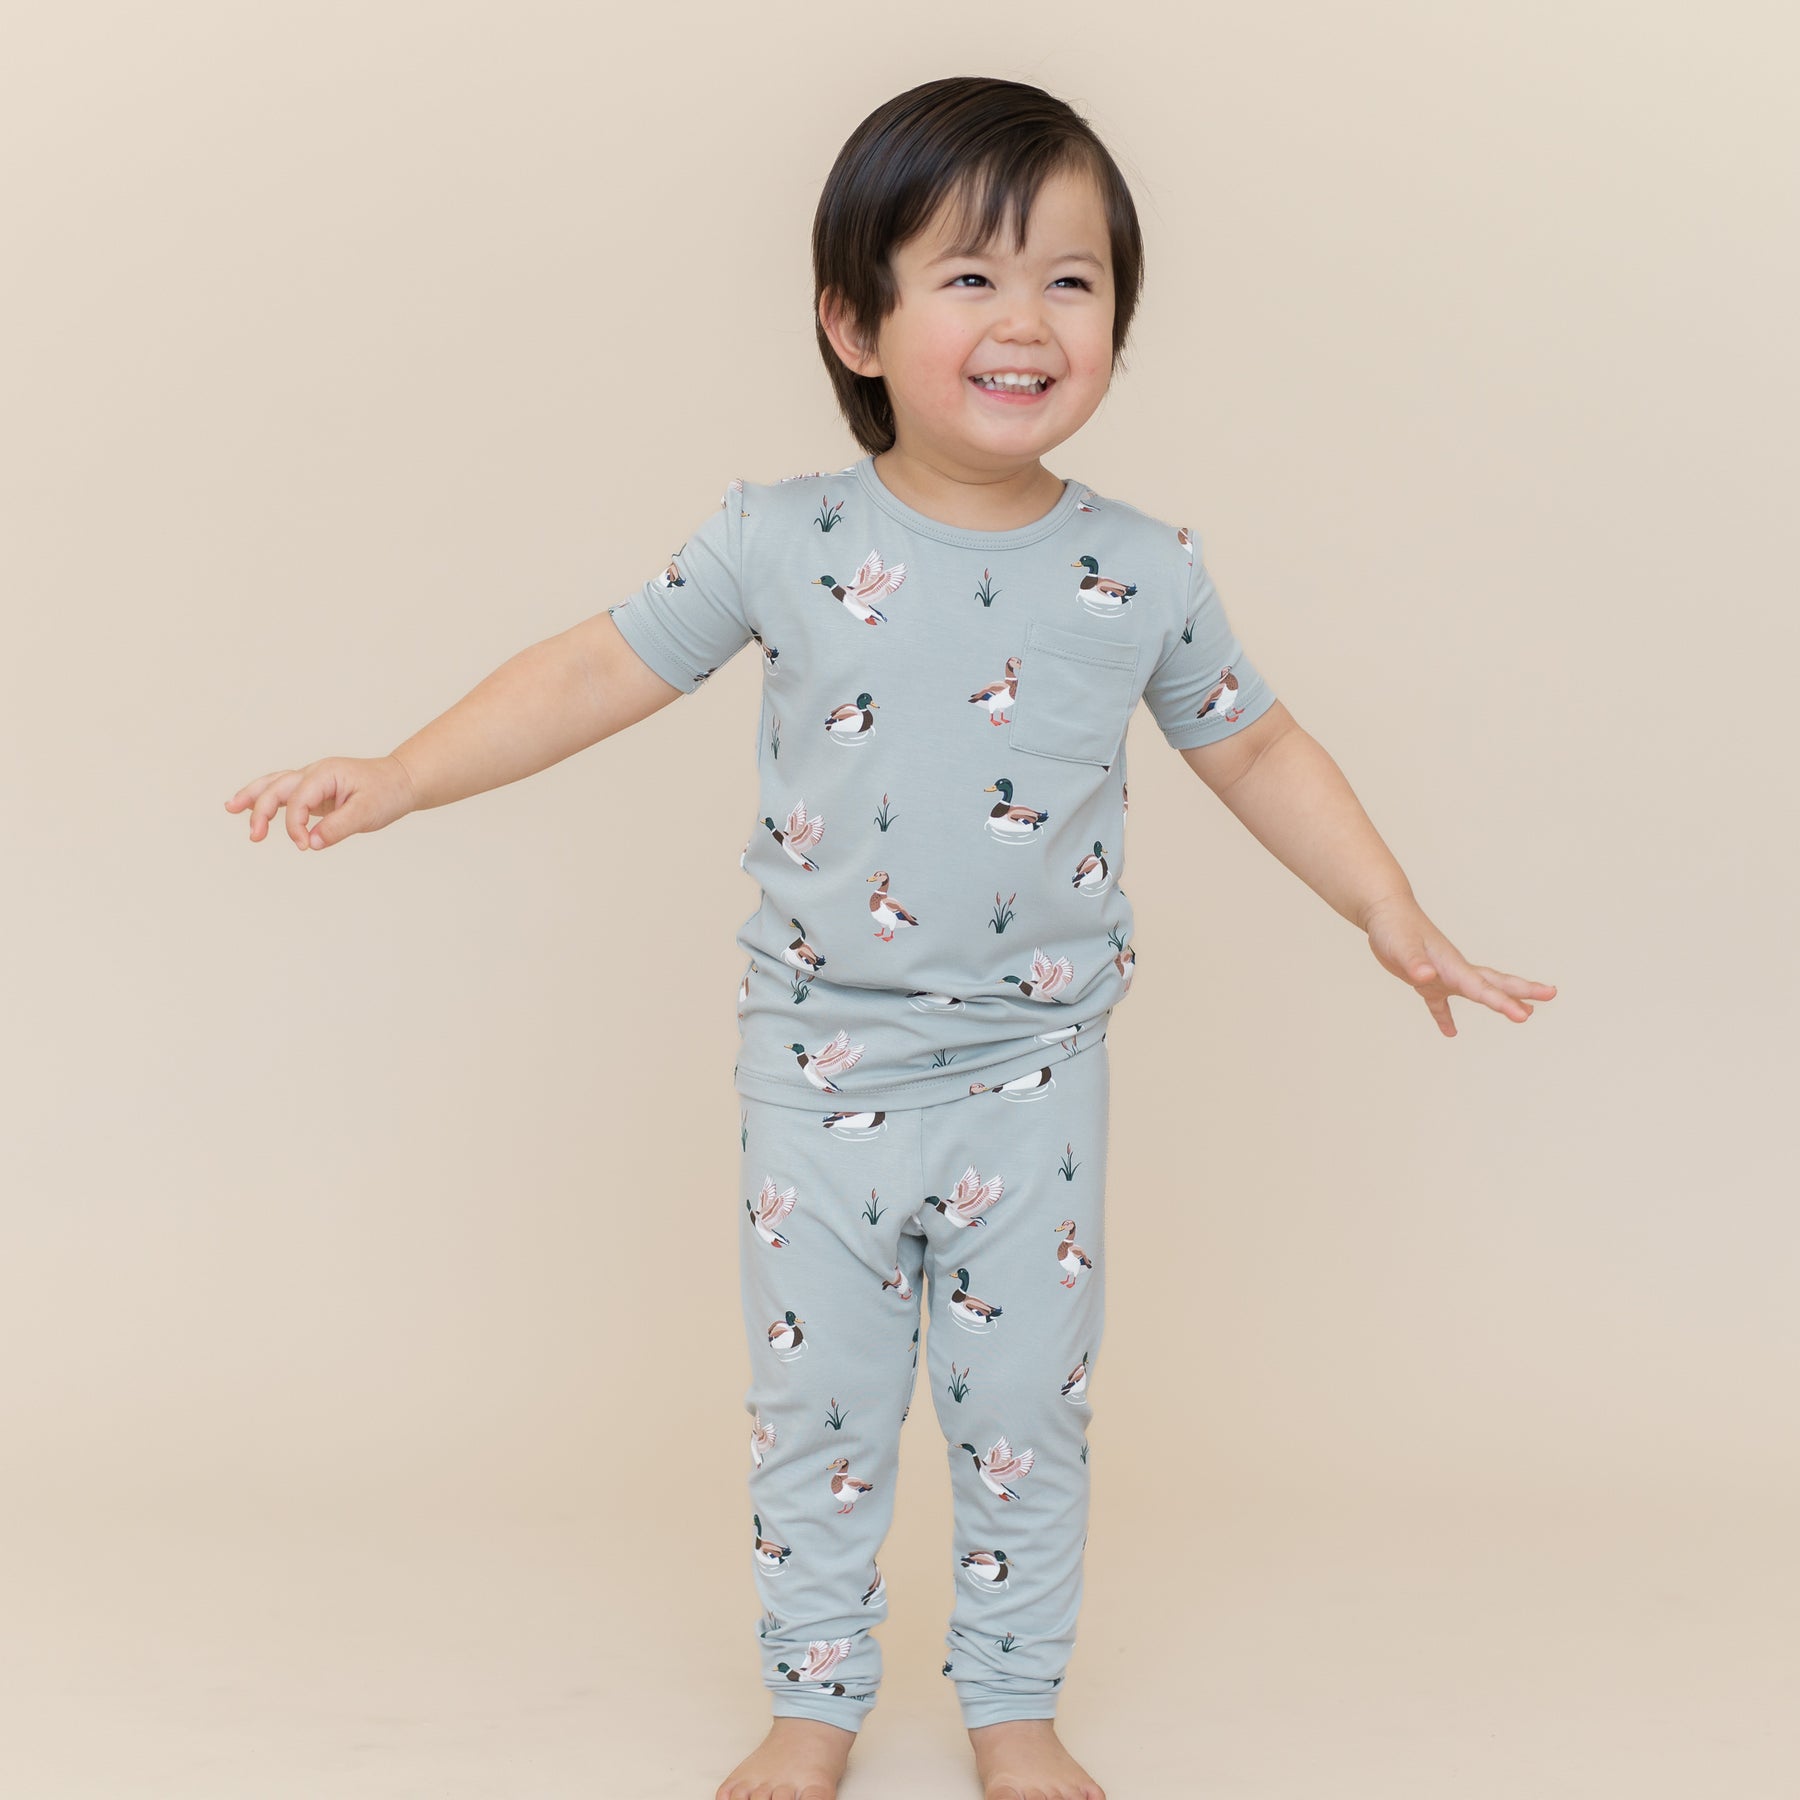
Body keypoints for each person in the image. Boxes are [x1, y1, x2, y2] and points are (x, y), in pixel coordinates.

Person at [224, 74, 1556, 1800]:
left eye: (1071, 280)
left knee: (1026, 1416)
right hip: (815, 1066)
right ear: (856, 322)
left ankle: (1014, 1710)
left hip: (1032, 1074)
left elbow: (1262, 747)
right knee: (822, 1412)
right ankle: (815, 1703)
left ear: (1119, 324)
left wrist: (1393, 912)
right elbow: (593, 667)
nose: (1025, 319)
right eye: (969, 277)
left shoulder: (1140, 570)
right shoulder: (781, 538)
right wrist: (402, 771)